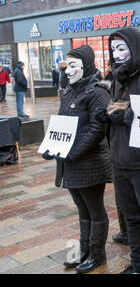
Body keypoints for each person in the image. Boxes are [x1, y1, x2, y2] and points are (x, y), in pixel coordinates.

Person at [94, 27, 140, 274]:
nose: (116, 54)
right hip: (120, 161)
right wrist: (107, 116)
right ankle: (138, 266)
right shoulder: (118, 77)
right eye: (113, 49)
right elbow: (118, 107)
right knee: (131, 219)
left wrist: (127, 117)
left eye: (122, 48)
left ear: (134, 47)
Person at [42, 45, 112, 273]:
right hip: (70, 162)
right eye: (67, 65)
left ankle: (97, 254)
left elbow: (96, 129)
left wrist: (75, 152)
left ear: (86, 65)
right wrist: (51, 147)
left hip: (89, 162)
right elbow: (61, 124)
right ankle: (84, 251)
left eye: (73, 65)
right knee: (82, 208)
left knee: (94, 208)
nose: (68, 70)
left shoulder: (98, 91)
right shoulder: (70, 90)